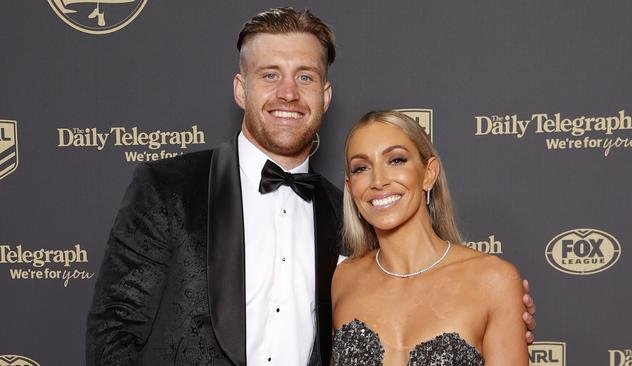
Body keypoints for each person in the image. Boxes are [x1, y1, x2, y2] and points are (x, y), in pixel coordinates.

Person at [86, 8, 535, 366]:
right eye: (270, 75)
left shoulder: (346, 211)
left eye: (305, 76)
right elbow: (114, 333)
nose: (288, 93)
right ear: (241, 90)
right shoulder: (169, 187)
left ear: (325, 95)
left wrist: (493, 313)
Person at [332, 110, 529, 365]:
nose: (378, 181)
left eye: (396, 160)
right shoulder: (341, 280)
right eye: (361, 168)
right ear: (350, 187)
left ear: (428, 173)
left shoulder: (493, 281)